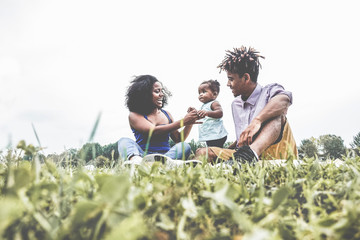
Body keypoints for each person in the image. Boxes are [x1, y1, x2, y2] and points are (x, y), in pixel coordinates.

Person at [195, 46, 298, 165]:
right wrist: (226, 149)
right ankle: (191, 172)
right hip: (243, 157)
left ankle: (249, 155)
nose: (228, 84)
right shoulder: (235, 104)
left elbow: (284, 100)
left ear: (246, 78)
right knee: (203, 152)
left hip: (276, 155)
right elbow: (243, 138)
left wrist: (257, 121)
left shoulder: (269, 91)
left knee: (277, 116)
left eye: (231, 79)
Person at [118, 74, 200, 164]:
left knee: (184, 146)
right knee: (124, 141)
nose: (162, 94)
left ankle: (165, 162)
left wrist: (190, 121)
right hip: (143, 156)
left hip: (166, 155)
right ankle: (137, 161)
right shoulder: (134, 115)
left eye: (162, 91)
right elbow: (153, 131)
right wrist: (182, 122)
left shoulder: (167, 114)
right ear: (145, 94)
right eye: (157, 91)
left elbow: (178, 139)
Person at [189, 80, 227, 148]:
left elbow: (220, 113)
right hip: (209, 135)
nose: (200, 94)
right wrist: (194, 111)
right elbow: (202, 114)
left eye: (204, 92)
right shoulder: (204, 106)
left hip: (216, 134)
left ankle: (222, 157)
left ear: (214, 94)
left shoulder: (214, 103)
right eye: (199, 93)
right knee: (211, 150)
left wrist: (207, 113)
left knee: (215, 150)